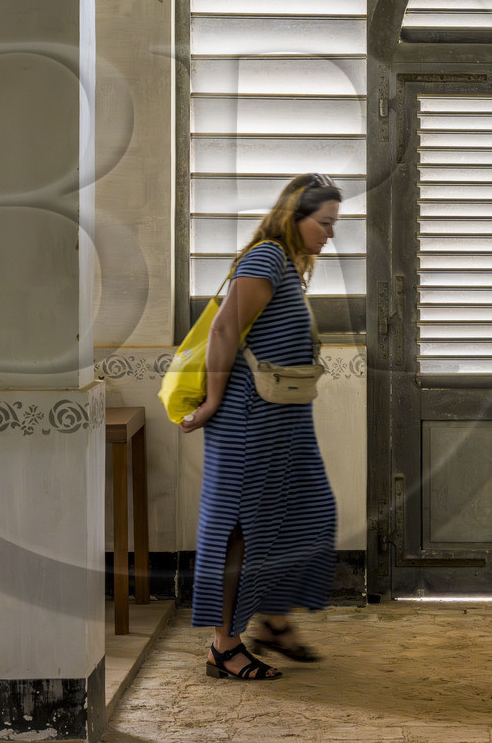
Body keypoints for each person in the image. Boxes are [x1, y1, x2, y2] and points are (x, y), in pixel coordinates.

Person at [181, 173, 342, 681]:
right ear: (295, 216)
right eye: (325, 223)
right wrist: (211, 403)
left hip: (285, 419)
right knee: (244, 527)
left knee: (308, 511)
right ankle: (223, 648)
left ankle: (272, 620)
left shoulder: (291, 266)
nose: (330, 234)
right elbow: (225, 329)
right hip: (248, 417)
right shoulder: (267, 257)